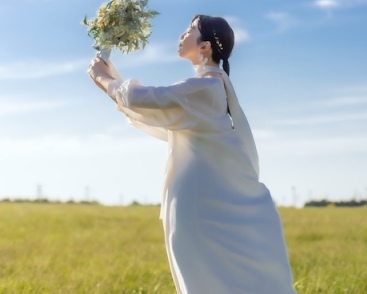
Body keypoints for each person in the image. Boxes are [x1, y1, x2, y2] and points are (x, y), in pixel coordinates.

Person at [88, 15, 296, 294]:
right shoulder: (210, 87)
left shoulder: (205, 88)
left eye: (190, 30)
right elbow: (150, 104)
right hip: (202, 201)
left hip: (201, 206)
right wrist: (110, 79)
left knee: (206, 278)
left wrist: (102, 77)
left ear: (205, 47)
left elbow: (144, 99)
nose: (182, 34)